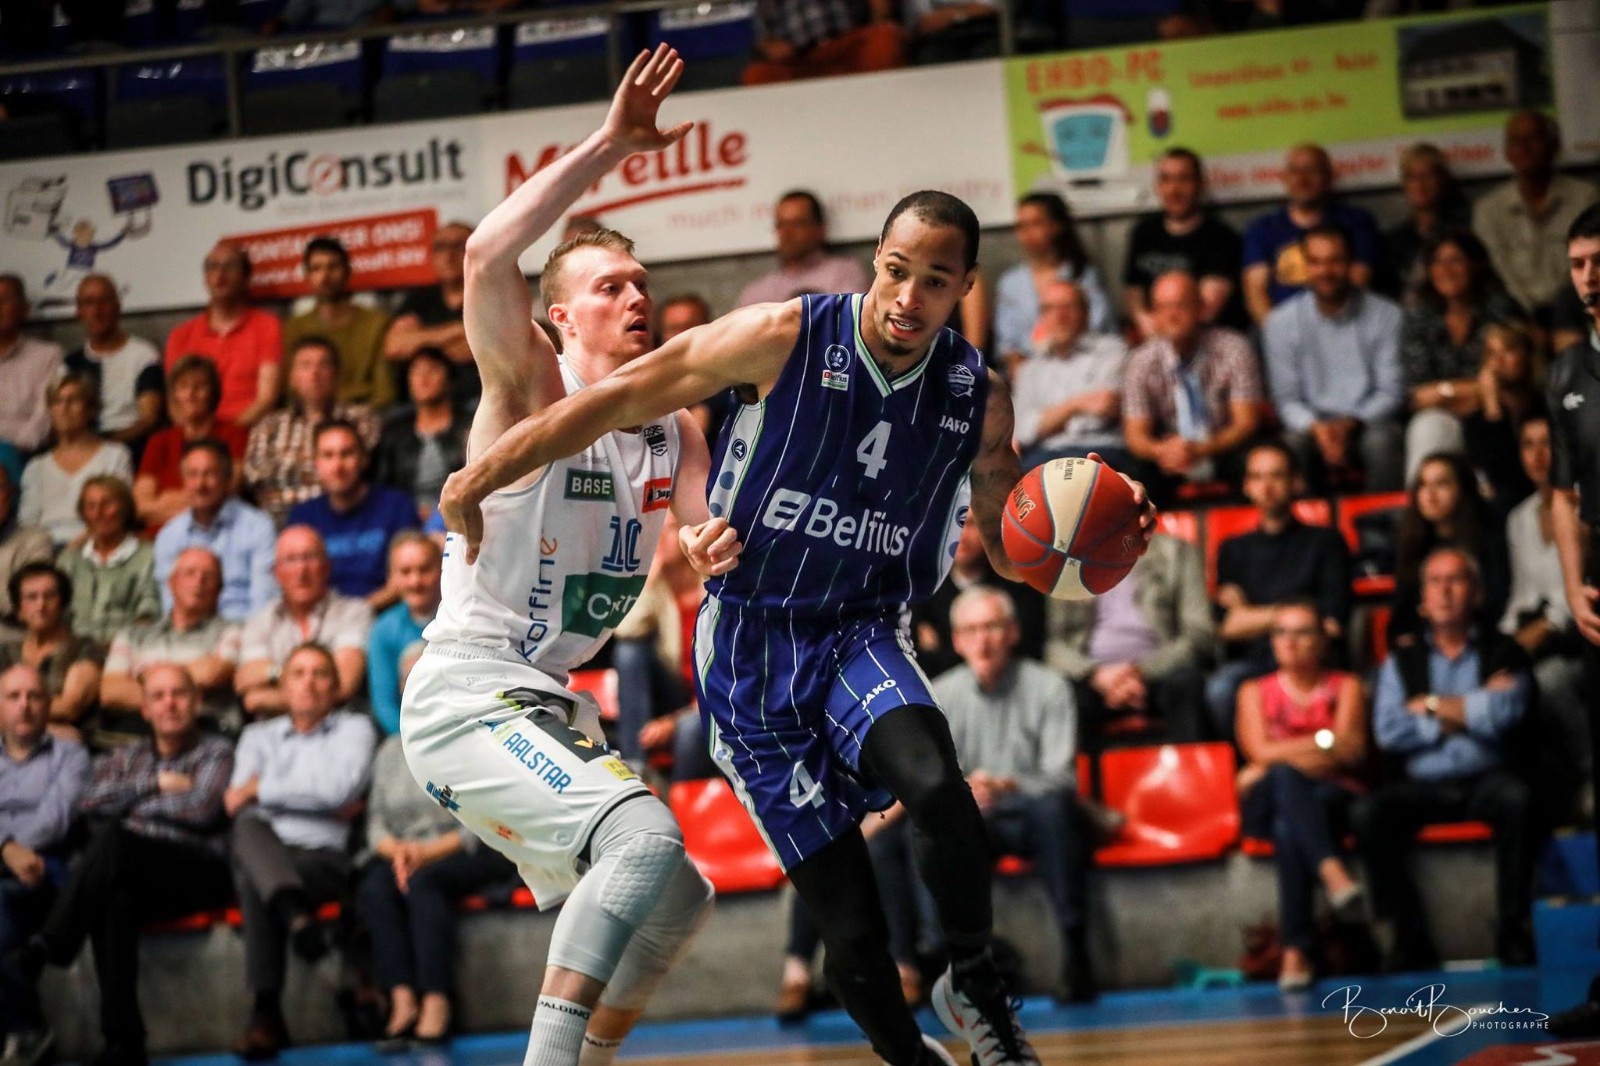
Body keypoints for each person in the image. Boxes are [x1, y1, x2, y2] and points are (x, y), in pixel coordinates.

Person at [436, 58, 1160, 1065]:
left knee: (931, 787)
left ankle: (975, 984)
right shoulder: (768, 339)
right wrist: (473, 479)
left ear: (964, 288)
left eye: (936, 279)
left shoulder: (967, 397)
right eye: (896, 270)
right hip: (729, 654)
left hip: (854, 628)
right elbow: (590, 390)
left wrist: (1102, 535)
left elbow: (1012, 553)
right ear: (873, 264)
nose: (909, 295)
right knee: (849, 932)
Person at [402, 49, 722, 1066]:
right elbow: (485, 255)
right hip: (467, 694)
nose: (635, 297)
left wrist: (717, 544)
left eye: (642, 283)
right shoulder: (530, 389)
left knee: (680, 890)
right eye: (609, 286)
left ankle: (590, 1057)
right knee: (643, 839)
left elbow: (704, 542)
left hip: (542, 700)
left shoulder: (676, 426)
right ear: (559, 318)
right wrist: (612, 144)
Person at [17, 663, 234, 1066]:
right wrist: (153, 785)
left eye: (179, 694)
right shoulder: (126, 756)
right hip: (138, 872)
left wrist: (128, 807)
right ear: (145, 710)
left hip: (198, 868)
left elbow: (201, 808)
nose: (169, 704)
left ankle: (50, 943)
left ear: (197, 701)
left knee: (114, 839)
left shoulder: (216, 750)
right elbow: (88, 803)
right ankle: (124, 1044)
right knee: (112, 896)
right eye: (158, 696)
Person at [1352, 547, 1535, 970]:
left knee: (1520, 800)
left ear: (1476, 592)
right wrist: (1472, 708)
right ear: (1422, 598)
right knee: (1367, 813)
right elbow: (1388, 731)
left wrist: (1431, 706)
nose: (1445, 591)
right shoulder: (1401, 661)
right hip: (1422, 785)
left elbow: (1505, 714)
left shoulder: (1505, 650)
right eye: (1434, 582)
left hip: (1487, 778)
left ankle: (1512, 928)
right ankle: (1406, 936)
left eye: (1455, 580)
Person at [934, 586, 1096, 1003]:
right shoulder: (939, 695)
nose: (982, 641)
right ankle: (956, 962)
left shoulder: (1050, 687)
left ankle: (1075, 950)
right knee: (936, 830)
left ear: (1013, 632)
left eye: (991, 627)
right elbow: (936, 778)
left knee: (1054, 812)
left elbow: (1061, 778)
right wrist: (967, 793)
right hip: (978, 818)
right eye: (970, 630)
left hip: (1031, 813)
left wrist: (1006, 785)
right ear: (957, 641)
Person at [226, 642, 377, 1059]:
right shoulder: (257, 735)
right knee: (247, 829)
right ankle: (294, 917)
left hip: (324, 859)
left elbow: (338, 790)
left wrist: (261, 788)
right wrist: (310, 799)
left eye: (320, 674)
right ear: (283, 687)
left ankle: (266, 1014)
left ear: (335, 687)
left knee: (254, 873)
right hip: (267, 849)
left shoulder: (355, 729)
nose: (308, 683)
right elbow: (236, 802)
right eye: (298, 673)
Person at [1234, 600, 1366, 991]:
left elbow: (1352, 751)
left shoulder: (1347, 686)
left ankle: (1296, 951)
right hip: (1268, 800)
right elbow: (1260, 751)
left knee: (1288, 822)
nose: (1289, 641)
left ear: (1322, 640)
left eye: (1302, 632)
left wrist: (1276, 759)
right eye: (1281, 632)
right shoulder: (1253, 691)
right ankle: (1333, 874)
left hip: (1331, 798)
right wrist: (1323, 742)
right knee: (1282, 780)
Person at [357, 732, 516, 1046]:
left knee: (423, 883)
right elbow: (375, 821)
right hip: (404, 852)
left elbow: (487, 817)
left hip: (470, 846)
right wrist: (399, 852)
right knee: (375, 887)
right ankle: (402, 998)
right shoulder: (390, 750)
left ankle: (436, 998)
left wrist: (426, 853)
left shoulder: (471, 740)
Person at [1540, 204, 1600, 1039]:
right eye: (1579, 262)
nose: (1590, 274)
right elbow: (1561, 493)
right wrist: (1575, 587)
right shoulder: (1565, 372)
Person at [1207, 441, 1352, 739]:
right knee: (1220, 688)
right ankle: (1246, 765)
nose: (1267, 487)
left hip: (1313, 661)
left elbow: (1331, 624)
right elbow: (1229, 627)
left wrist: (1252, 614)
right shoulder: (1233, 550)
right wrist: (1299, 612)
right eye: (1257, 477)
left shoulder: (1326, 542)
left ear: (1295, 482)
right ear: (1247, 486)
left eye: (1276, 475)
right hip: (1255, 664)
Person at [1263, 223, 1405, 492]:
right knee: (1290, 447)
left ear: (1351, 263)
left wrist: (1349, 424)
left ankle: (1386, 518)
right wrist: (1318, 429)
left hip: (1368, 422)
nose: (1325, 271)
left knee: (1382, 442)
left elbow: (1391, 391)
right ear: (1306, 267)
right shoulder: (1280, 322)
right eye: (1316, 262)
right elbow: (1287, 399)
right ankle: (1299, 521)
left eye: (1335, 261)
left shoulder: (1387, 315)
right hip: (1309, 425)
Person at [1045, 532, 1211, 750]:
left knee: (1186, 683)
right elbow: (1053, 646)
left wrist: (1140, 671)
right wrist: (1094, 673)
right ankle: (1073, 774)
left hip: (1160, 672)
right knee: (1061, 693)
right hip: (1094, 678)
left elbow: (1199, 636)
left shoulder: (1177, 552)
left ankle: (1191, 770)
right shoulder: (1067, 559)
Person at [1499, 415, 1588, 822]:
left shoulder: (1587, 503)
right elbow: (1521, 594)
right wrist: (1503, 640)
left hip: (1582, 630)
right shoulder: (1518, 518)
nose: (1538, 454)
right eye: (1527, 444)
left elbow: (1585, 581)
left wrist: (1549, 622)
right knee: (1502, 675)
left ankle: (1589, 770)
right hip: (1542, 630)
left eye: (1546, 442)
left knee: (1549, 679)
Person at [0, 663, 88, 1066]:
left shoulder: (71, 756)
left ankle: (26, 1030)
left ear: (50, 704)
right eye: (13, 696)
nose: (25, 705)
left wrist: (15, 850)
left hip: (48, 867)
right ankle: (27, 1030)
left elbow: (56, 820)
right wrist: (5, 848)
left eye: (34, 696)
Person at [1399, 231, 1527, 482]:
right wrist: (1480, 388)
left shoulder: (1501, 308)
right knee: (1428, 427)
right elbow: (1418, 396)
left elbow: (1511, 380)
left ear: (1475, 264)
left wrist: (1443, 392)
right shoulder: (1419, 317)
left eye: (1455, 260)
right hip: (1442, 417)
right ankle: (1422, 504)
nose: (1446, 270)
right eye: (1437, 262)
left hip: (1499, 414)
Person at [1122, 271, 1264, 496]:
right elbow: (1135, 436)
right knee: (1132, 476)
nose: (1172, 315)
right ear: (1154, 315)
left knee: (1260, 463)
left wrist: (1199, 449)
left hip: (1223, 447)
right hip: (1167, 454)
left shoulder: (1234, 349)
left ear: (1201, 308)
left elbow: (1246, 423)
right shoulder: (1141, 361)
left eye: (1180, 305)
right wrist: (1163, 450)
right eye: (1162, 307)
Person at [1472, 111, 1600, 324]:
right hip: (1514, 315)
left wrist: (1564, 309)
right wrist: (1525, 316)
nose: (1524, 147)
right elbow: (1497, 272)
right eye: (1515, 141)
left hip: (1577, 308)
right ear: (1507, 152)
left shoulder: (1585, 197)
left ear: (1554, 145)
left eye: (1533, 138)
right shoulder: (1488, 209)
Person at [101, 547, 242, 740]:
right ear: (171, 583)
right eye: (190, 573)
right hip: (139, 729)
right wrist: (183, 685)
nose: (199, 581)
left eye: (208, 576)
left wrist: (143, 677)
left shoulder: (233, 630)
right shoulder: (132, 635)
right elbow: (111, 691)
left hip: (206, 729)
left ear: (220, 588)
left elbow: (211, 673)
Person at [242, 336, 381, 525]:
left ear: (336, 375)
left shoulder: (360, 418)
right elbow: (255, 477)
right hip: (277, 524)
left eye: (323, 365)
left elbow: (353, 472)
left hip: (343, 519)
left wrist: (288, 470)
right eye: (305, 365)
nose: (315, 373)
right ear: (292, 377)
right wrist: (320, 473)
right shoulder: (269, 426)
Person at [235, 526, 371, 718]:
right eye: (290, 560)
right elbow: (247, 685)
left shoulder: (354, 612)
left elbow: (343, 687)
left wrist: (272, 685)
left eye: (310, 557)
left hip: (340, 725)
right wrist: (283, 673)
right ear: (276, 573)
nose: (301, 570)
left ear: (327, 566)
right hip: (273, 730)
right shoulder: (259, 621)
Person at [1241, 143, 1381, 323]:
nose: (1302, 179)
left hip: (1342, 323)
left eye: (1312, 171)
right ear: (1285, 177)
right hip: (1281, 327)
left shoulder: (1357, 222)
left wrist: (1326, 332)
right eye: (1295, 171)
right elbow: (1256, 293)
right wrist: (1277, 333)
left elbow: (1358, 281)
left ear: (1328, 176)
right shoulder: (1262, 229)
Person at [287, 419, 419, 609]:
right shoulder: (302, 517)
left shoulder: (397, 506)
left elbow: (408, 577)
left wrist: (357, 614)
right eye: (328, 455)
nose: (337, 466)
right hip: (323, 618)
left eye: (346, 454)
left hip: (387, 614)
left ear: (364, 459)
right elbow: (293, 583)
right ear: (316, 463)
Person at [1391, 452, 1510, 647]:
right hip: (1425, 648)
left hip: (1482, 642)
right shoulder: (1411, 545)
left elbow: (1496, 604)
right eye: (1423, 485)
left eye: (1441, 484)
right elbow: (1401, 618)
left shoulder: (1489, 541)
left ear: (1462, 489)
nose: (1430, 494)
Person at [152, 439, 278, 623]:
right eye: (192, 475)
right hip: (189, 633)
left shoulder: (258, 526)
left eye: (210, 474)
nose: (200, 484)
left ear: (227, 478)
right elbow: (170, 605)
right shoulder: (169, 535)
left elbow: (265, 604)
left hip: (243, 630)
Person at [1122, 147, 1244, 336]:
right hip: (1152, 335)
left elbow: (1207, 311)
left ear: (1200, 184)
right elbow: (1134, 294)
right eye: (1166, 179)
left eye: (1183, 179)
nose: (1174, 189)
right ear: (1158, 186)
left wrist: (1163, 334)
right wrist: (1146, 325)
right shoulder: (1144, 232)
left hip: (1205, 339)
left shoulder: (1221, 237)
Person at [1009, 278, 1127, 472]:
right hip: (1042, 456)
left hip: (1100, 452)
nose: (1059, 316)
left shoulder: (1113, 353)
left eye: (1068, 307)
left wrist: (1047, 421)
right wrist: (1076, 405)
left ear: (1086, 313)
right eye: (1049, 309)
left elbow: (1100, 415)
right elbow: (1023, 430)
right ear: (1041, 317)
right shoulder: (1030, 368)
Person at [162, 242, 281, 427]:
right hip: (194, 434)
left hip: (249, 429)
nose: (220, 273)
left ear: (246, 278)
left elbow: (266, 399)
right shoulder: (181, 334)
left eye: (230, 266)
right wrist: (198, 435)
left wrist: (228, 435)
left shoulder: (267, 326)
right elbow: (174, 403)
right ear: (205, 279)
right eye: (213, 266)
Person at [994, 192, 1112, 369]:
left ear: (1057, 226)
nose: (1027, 233)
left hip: (1080, 364)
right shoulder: (1010, 283)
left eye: (1035, 224)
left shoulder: (1082, 274)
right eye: (1021, 226)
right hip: (1027, 369)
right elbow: (1006, 343)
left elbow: (1098, 326)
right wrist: (1022, 369)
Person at [17, 373, 134, 548]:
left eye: (73, 400)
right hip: (44, 548)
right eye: (57, 401)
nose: (64, 408)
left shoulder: (115, 455)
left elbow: (120, 511)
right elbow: (27, 524)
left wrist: (77, 546)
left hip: (98, 543)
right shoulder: (36, 467)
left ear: (91, 409)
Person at [134, 355, 249, 531]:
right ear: (174, 394)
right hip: (159, 535)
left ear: (213, 393)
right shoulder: (159, 441)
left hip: (213, 531)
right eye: (183, 387)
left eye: (199, 387)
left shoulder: (234, 435)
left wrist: (167, 499)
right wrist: (197, 501)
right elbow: (141, 507)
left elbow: (226, 493)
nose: (190, 395)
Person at [281, 237, 394, 409]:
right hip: (311, 415)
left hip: (365, 413)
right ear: (307, 276)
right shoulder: (295, 328)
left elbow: (385, 393)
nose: (325, 277)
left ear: (347, 271)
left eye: (333, 267)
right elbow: (292, 392)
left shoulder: (376, 324)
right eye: (316, 268)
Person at [0, 564, 103, 743]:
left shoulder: (84, 649)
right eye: (31, 597)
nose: (41, 605)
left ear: (62, 604)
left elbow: (69, 707)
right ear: (19, 610)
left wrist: (9, 711)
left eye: (49, 596)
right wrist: (46, 728)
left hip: (66, 748)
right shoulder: (5, 652)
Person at [63, 274, 163, 455]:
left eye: (104, 301)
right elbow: (62, 420)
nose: (97, 310)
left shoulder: (143, 356)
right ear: (78, 311)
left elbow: (149, 419)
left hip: (131, 448)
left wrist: (105, 447)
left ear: (118, 306)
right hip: (81, 450)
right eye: (88, 303)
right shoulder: (69, 364)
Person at [384, 222, 478, 411]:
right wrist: (457, 331)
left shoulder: (491, 295)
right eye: (440, 248)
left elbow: (484, 347)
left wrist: (421, 339)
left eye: (458, 246)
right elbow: (394, 346)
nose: (448, 256)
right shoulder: (420, 298)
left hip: (477, 400)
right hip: (419, 407)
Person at [55, 475, 160, 644]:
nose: (98, 513)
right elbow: (58, 614)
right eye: (91, 506)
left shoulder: (149, 556)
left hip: (128, 649)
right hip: (73, 649)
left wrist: (116, 649)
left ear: (125, 509)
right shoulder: (69, 560)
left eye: (108, 504)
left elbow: (149, 612)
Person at [372, 348, 469, 522]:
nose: (424, 378)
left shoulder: (468, 425)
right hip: (405, 516)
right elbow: (383, 484)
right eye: (416, 371)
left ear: (449, 379)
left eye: (432, 369)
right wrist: (409, 510)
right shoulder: (394, 432)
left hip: (459, 512)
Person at [737, 191, 872, 307]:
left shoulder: (843, 273)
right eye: (781, 225)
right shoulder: (757, 292)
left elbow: (850, 321)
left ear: (820, 229)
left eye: (797, 224)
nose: (787, 233)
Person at [1465, 322, 1542, 518]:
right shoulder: (1477, 422)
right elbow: (1497, 477)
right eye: (1491, 354)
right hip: (1502, 511)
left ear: (1526, 355)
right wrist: (1492, 407)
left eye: (1508, 350)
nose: (1498, 361)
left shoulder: (1545, 408)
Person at [366, 532, 439, 737]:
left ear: (441, 570)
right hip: (406, 735)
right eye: (405, 572)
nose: (415, 581)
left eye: (424, 569)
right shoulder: (383, 630)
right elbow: (384, 704)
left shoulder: (461, 618)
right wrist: (414, 739)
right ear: (392, 577)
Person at [743, 0, 905, 85]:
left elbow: (880, 10)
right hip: (802, 60)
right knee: (757, 75)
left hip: (847, 46)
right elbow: (763, 37)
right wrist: (772, 46)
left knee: (885, 38)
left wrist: (880, 17)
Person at [1383, 144, 1470, 299]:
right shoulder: (1393, 240)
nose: (1420, 184)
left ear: (1442, 180)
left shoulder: (1464, 230)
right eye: (1412, 177)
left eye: (1428, 176)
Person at [0, 275, 64, 455]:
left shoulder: (47, 355)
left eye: (5, 300)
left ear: (24, 309)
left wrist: (12, 452)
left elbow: (46, 414)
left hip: (25, 453)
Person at [0, 467, 51, 629]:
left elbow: (30, 604)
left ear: (10, 494)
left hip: (10, 637)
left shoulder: (35, 541)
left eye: (0, 489)